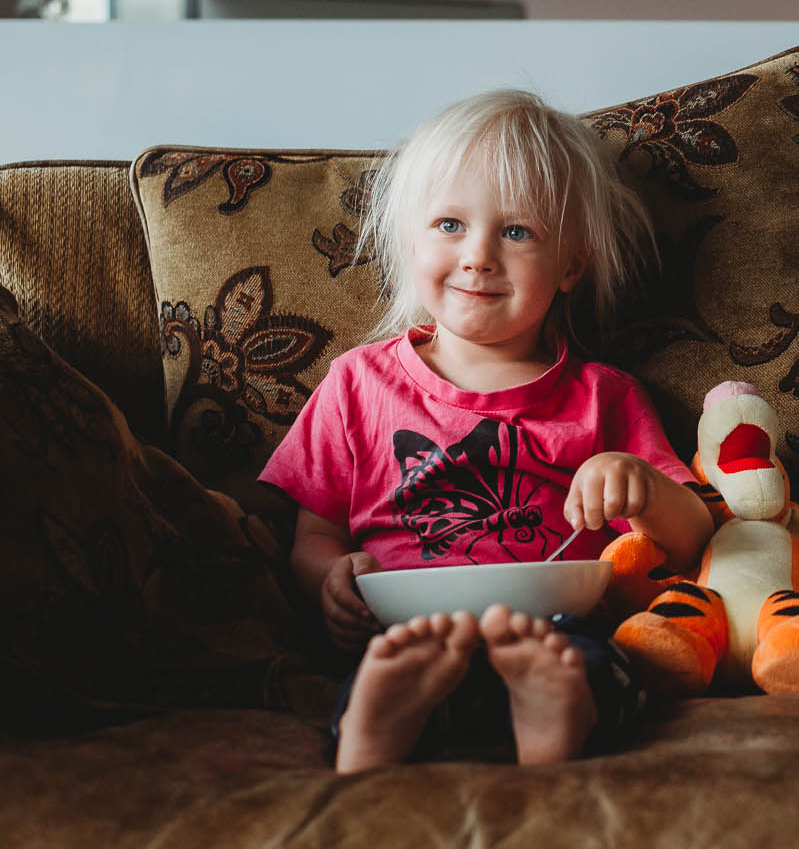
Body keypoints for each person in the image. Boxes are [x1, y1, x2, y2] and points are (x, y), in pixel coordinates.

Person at [261, 89, 714, 772]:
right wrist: (331, 576)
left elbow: (690, 540)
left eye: (517, 232)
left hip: (554, 629)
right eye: (449, 224)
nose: (478, 256)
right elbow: (313, 536)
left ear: (571, 265)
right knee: (387, 667)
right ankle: (377, 723)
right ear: (411, 238)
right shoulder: (356, 384)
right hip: (407, 631)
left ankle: (553, 706)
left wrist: (643, 487)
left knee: (602, 663)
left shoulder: (604, 397)